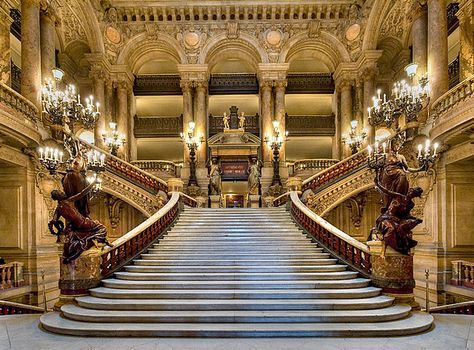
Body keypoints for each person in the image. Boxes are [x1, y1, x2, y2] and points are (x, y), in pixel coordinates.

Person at [49, 181, 112, 264]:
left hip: (76, 226)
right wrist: (93, 183)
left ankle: (93, 239)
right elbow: (82, 193)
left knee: (94, 228)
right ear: (58, 196)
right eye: (60, 193)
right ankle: (92, 238)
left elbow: (54, 221)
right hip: (84, 223)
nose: (62, 192)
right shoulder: (68, 201)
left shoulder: (58, 209)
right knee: (102, 228)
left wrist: (59, 229)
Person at [379, 140, 410, 213]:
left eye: (398, 145)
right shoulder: (386, 155)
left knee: (402, 174)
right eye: (395, 145)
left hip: (398, 173)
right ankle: (388, 205)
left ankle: (399, 196)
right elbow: (380, 166)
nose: (397, 146)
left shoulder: (401, 157)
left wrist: (402, 164)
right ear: (391, 146)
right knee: (387, 191)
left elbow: (407, 168)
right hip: (388, 174)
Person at [62, 153, 90, 218]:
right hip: (77, 202)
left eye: (77, 164)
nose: (75, 165)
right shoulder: (72, 175)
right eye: (74, 163)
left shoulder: (75, 175)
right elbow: (80, 194)